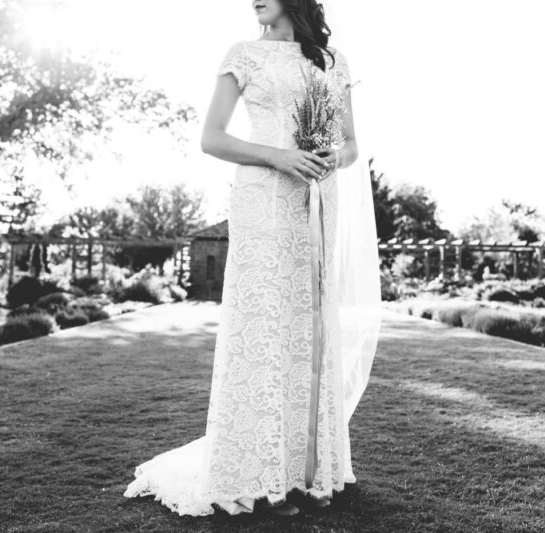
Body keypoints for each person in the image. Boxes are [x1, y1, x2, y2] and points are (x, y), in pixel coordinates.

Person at [123, 0, 381, 517]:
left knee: (310, 329)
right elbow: (211, 137)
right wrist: (279, 156)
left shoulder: (333, 61)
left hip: (316, 198)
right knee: (263, 325)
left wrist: (333, 158)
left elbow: (352, 144)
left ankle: (312, 469)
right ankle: (259, 477)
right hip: (264, 197)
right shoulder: (243, 55)